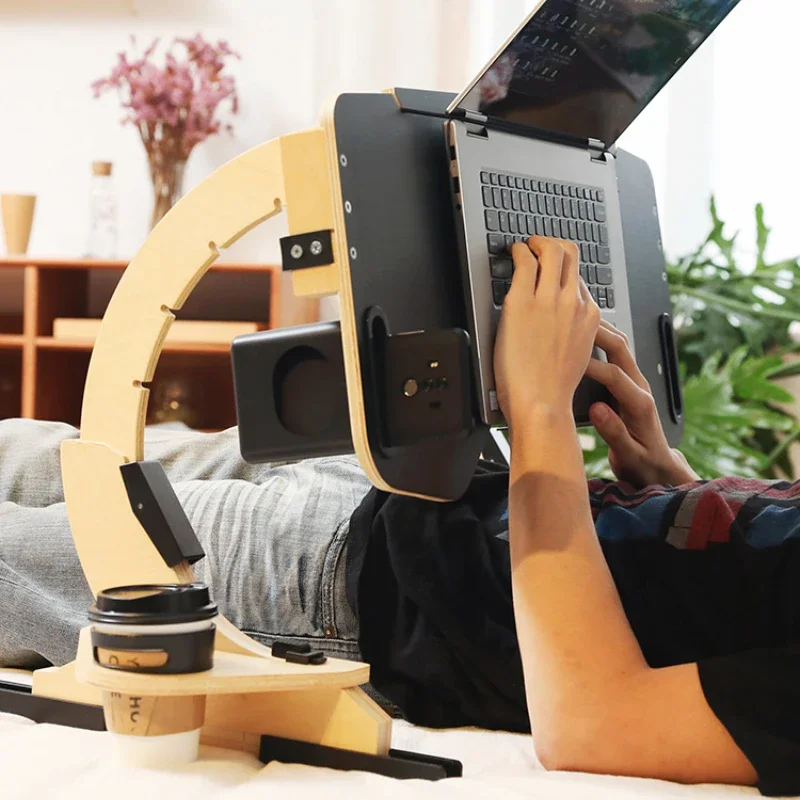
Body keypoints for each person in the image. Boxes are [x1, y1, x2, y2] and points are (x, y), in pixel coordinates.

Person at [0, 237, 798, 794]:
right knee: (45, 453)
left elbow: (597, 723)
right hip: (417, 487)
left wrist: (543, 413)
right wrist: (669, 483)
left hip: (353, 595)